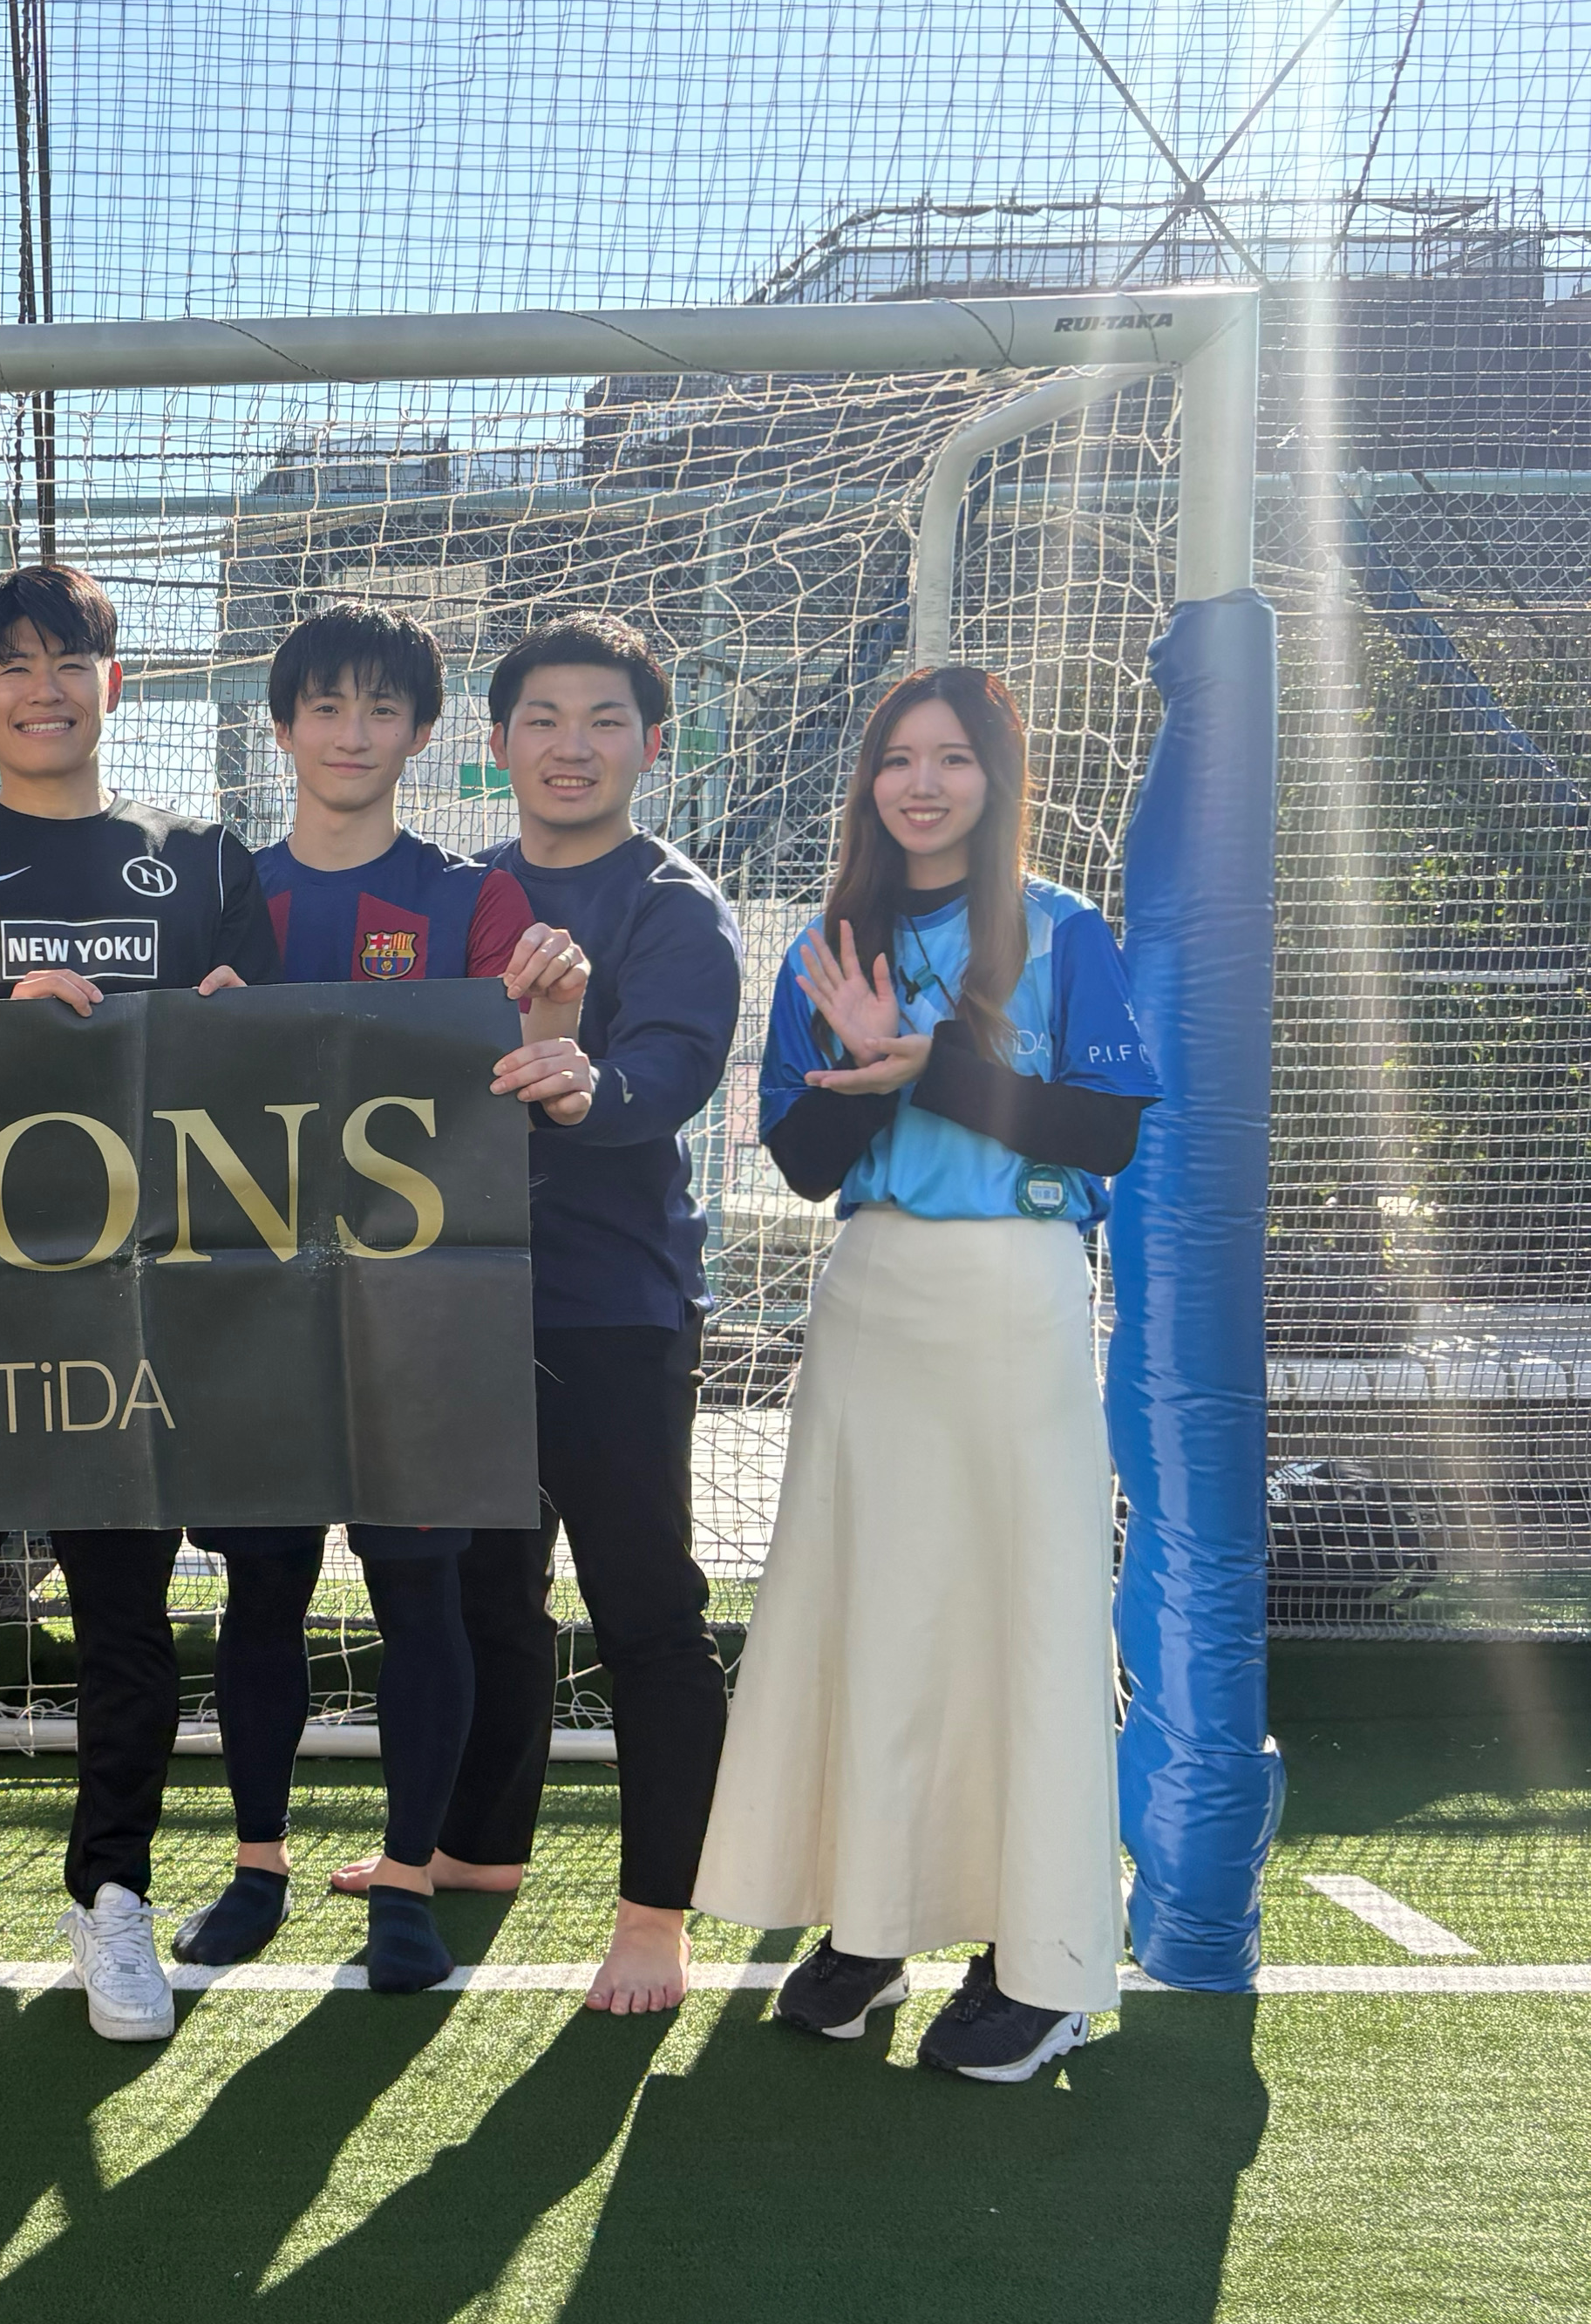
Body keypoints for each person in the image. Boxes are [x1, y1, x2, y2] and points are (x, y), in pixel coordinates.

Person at [691, 663, 1155, 2084]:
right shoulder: (828, 944)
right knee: (870, 1611)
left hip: (1016, 1298)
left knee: (1022, 1620)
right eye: (900, 757)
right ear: (871, 783)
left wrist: (930, 1066)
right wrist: (852, 1065)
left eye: (953, 757)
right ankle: (873, 1923)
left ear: (996, 777)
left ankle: (1042, 1964)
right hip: (872, 1300)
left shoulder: (1064, 931)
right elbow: (802, 1161)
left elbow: (1106, 1136)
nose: (923, 783)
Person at [0, 560, 276, 2048]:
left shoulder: (204, 861)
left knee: (125, 1620)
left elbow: (269, 1084)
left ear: (118, 680)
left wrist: (235, 1038)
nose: (44, 689)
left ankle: (113, 1895)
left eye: (70, 660)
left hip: (131, 1311)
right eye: (13, 667)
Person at [168, 605, 595, 1995]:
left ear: (422, 733)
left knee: (422, 1592)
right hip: (250, 1310)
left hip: (423, 1312)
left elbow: (528, 1072)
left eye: (382, 709)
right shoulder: (221, 896)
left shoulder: (476, 902)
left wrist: (553, 1019)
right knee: (264, 1589)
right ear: (282, 724)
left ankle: (408, 1881)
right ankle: (257, 1866)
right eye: (327, 706)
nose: (352, 733)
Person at [372, 614, 746, 2019]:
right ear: (497, 742)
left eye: (603, 721)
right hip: (460, 1297)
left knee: (644, 1612)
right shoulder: (461, 893)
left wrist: (592, 1084)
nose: (571, 746)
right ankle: (480, 1846)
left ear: (651, 746)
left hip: (613, 1310)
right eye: (542, 719)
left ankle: (657, 1918)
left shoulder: (674, 904)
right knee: (487, 1589)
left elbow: (669, 1069)